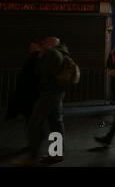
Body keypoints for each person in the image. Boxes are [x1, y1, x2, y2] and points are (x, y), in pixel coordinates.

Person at [13, 37, 68, 166]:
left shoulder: (52, 53)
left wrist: (40, 57)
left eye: (47, 41)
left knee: (34, 123)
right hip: (57, 92)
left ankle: (32, 157)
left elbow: (41, 71)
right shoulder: (60, 53)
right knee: (56, 123)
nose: (43, 43)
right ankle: (57, 154)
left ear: (53, 44)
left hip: (49, 93)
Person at [6, 41, 41, 124]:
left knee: (31, 115)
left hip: (30, 90)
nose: (30, 49)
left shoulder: (36, 58)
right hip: (29, 90)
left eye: (33, 47)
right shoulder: (35, 57)